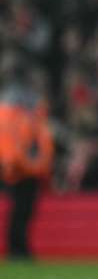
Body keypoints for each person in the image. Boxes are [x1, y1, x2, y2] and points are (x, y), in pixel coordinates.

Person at [0, 67, 53, 260]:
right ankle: (17, 249)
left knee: (23, 211)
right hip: (21, 168)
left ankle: (19, 248)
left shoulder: (27, 111)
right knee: (21, 211)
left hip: (25, 168)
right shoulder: (20, 112)